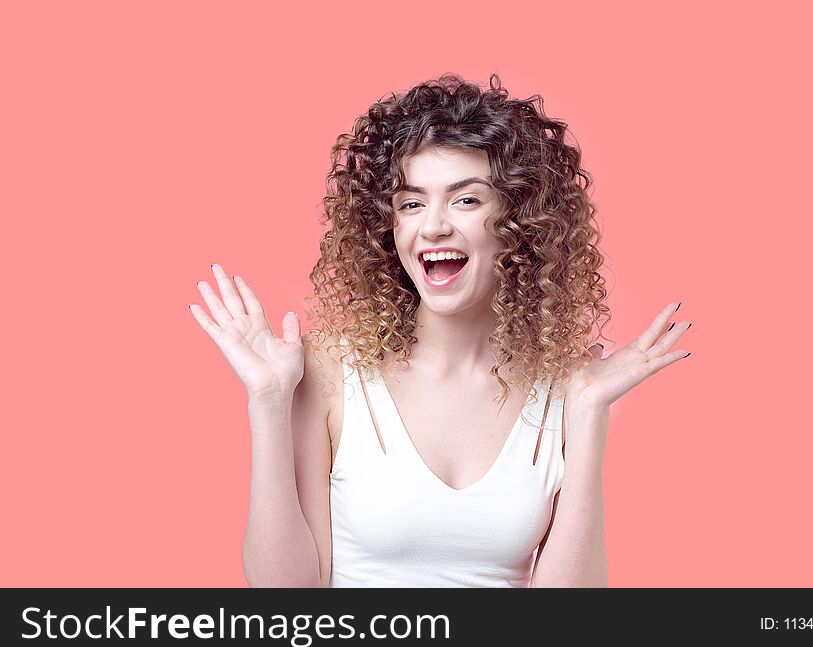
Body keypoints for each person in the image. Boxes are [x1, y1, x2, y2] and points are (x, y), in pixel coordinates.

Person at [189, 73, 692, 588]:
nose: (433, 226)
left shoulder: (565, 386)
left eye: (466, 200)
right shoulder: (331, 372)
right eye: (411, 204)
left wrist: (588, 413)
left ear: (519, 222)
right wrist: (268, 401)